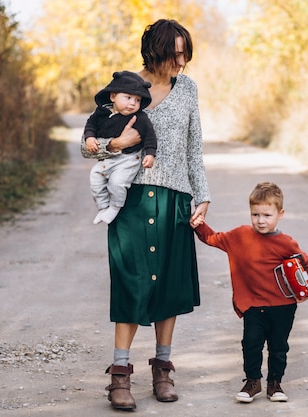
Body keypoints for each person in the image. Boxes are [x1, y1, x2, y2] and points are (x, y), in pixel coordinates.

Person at [81, 19, 210, 410]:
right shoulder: (125, 88)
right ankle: (119, 375)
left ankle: (163, 369)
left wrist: (202, 196)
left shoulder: (188, 89)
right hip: (131, 200)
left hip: (173, 200)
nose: (181, 61)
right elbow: (89, 146)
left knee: (169, 285)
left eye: (185, 53)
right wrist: (115, 144)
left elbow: (194, 149)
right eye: (175, 53)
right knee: (131, 282)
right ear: (155, 50)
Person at [190, 182, 308, 404]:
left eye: (267, 215)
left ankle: (275, 383)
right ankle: (252, 381)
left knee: (278, 347)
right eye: (255, 214)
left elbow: (306, 263)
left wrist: (307, 289)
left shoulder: (286, 243)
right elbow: (213, 238)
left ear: (280, 214)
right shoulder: (240, 235)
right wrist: (199, 226)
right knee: (251, 343)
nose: (260, 220)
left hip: (283, 306)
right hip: (253, 305)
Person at [83, 71, 157, 224]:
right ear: (112, 96)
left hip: (128, 159)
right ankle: (103, 207)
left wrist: (150, 154)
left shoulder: (140, 117)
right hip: (108, 158)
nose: (132, 103)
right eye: (128, 98)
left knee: (117, 183)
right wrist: (90, 138)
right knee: (95, 177)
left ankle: (115, 207)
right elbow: (90, 125)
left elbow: (150, 135)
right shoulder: (101, 112)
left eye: (137, 100)